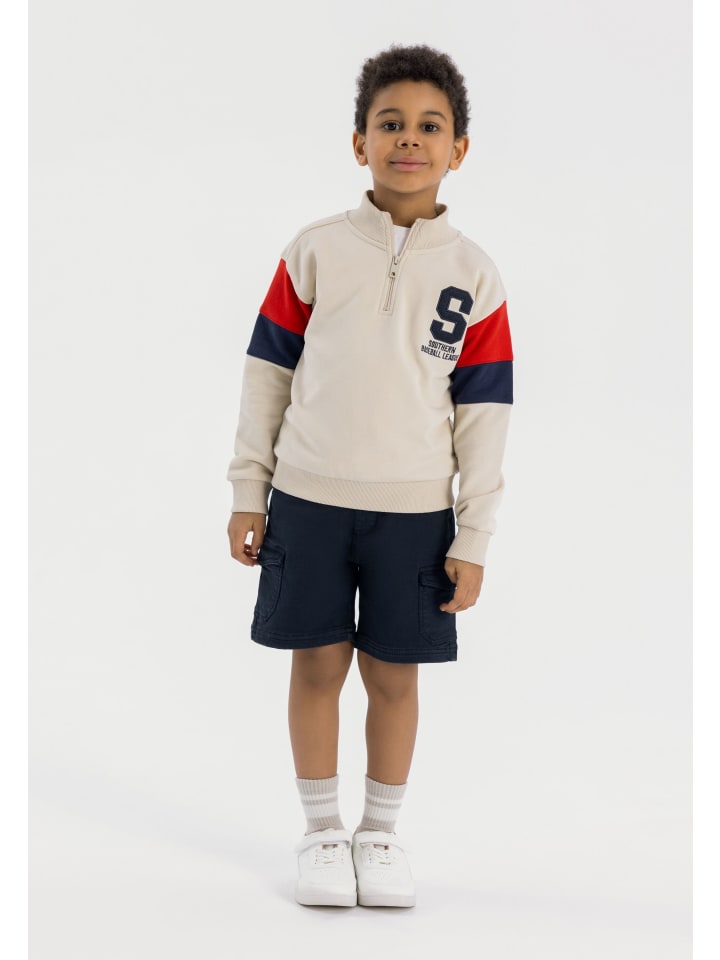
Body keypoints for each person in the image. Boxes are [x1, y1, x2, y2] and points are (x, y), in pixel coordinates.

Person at [226, 43, 513, 908]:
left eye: (429, 126)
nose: (409, 139)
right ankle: (321, 833)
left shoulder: (475, 274)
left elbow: (484, 415)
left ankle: (379, 836)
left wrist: (473, 535)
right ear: (360, 143)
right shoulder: (314, 250)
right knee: (316, 666)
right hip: (307, 502)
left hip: (416, 516)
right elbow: (266, 375)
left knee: (394, 676)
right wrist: (248, 490)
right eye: (390, 124)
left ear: (459, 148)